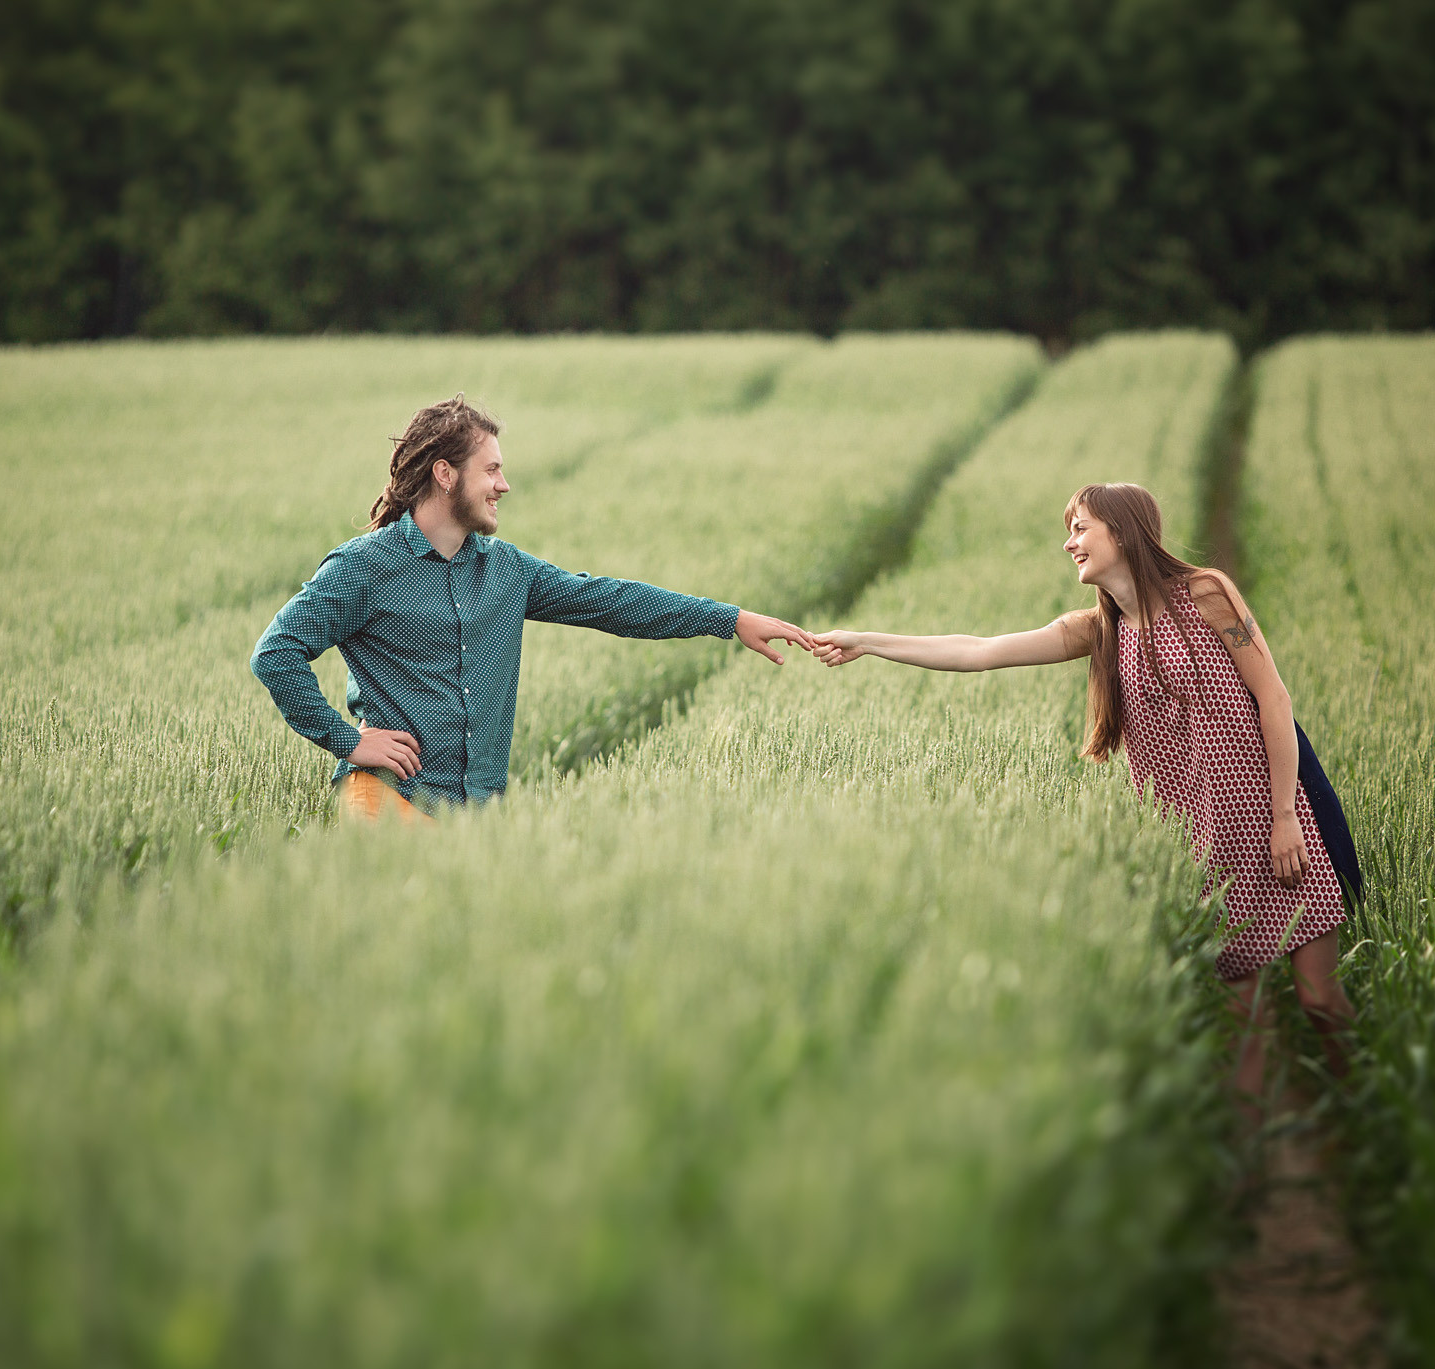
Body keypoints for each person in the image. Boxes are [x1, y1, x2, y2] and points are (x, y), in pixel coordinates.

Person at [808, 482, 1360, 1098]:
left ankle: (1363, 1112)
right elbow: (978, 652)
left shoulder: (1206, 594)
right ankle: (1257, 1171)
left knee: (1320, 1001)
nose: (1069, 542)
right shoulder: (1100, 632)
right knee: (1245, 1024)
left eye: (1080, 528)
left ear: (1122, 533)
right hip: (1199, 843)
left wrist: (1286, 814)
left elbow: (1275, 700)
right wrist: (869, 641)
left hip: (1272, 822)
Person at [253, 394, 818, 818]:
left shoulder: (506, 571)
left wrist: (729, 619)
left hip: (475, 818)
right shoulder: (366, 566)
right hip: (385, 802)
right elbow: (275, 654)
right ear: (444, 474)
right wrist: (349, 740)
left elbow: (608, 602)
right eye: (491, 470)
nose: (504, 485)